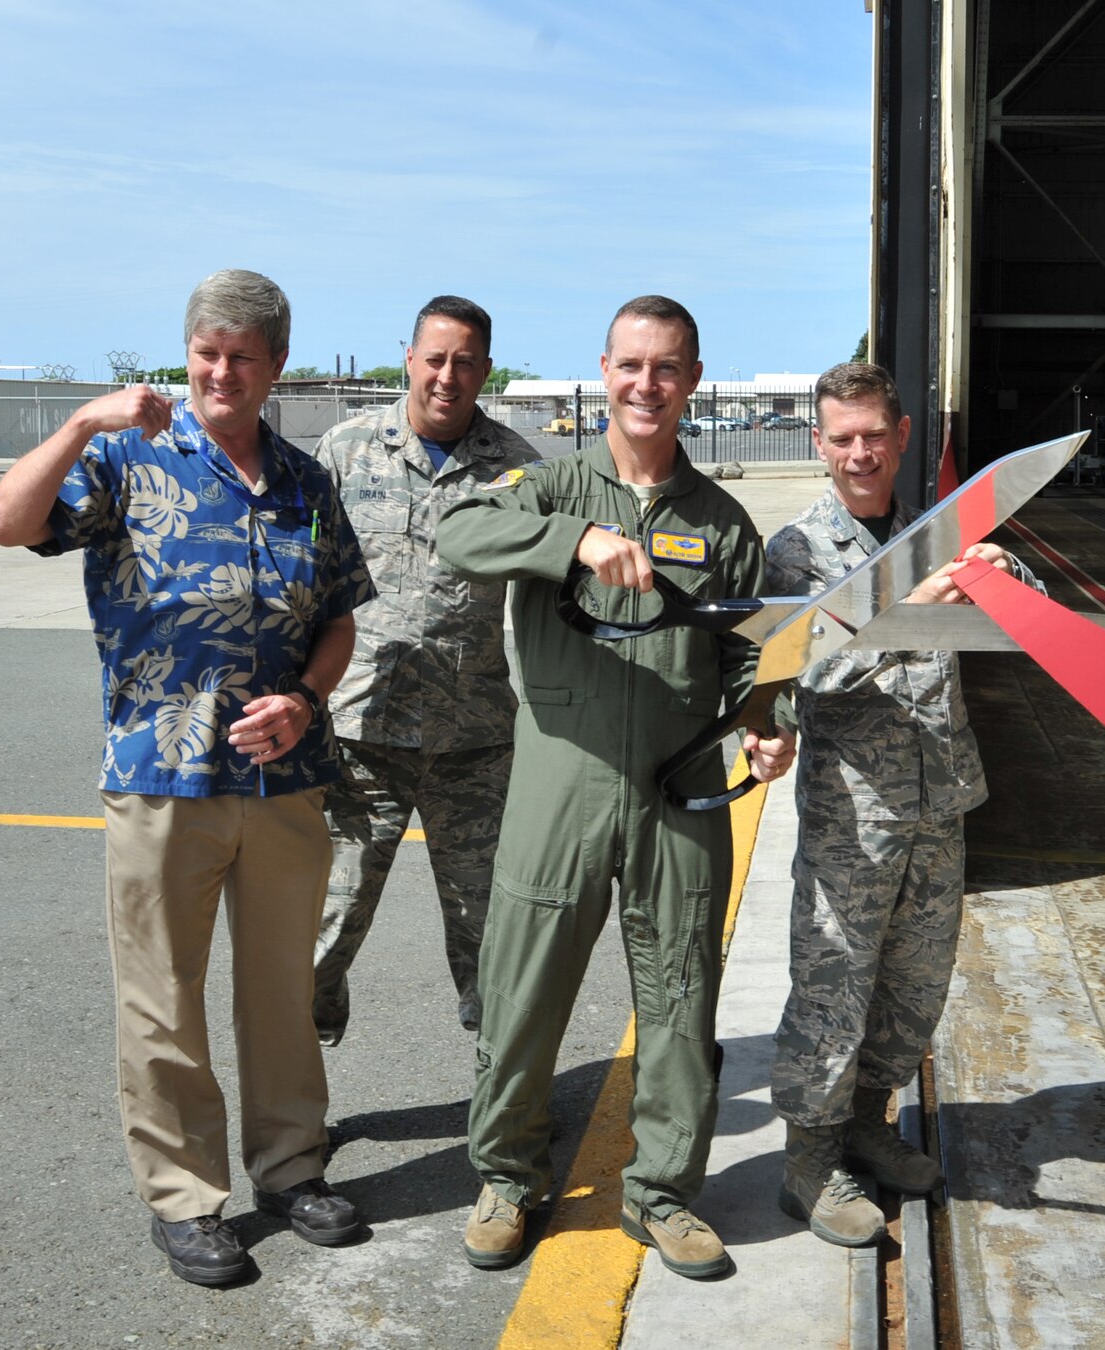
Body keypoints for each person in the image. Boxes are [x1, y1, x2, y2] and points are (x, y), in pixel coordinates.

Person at [0, 269, 375, 1286]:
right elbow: (6, 523)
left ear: (275, 365)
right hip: (160, 778)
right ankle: (186, 1198)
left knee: (282, 991)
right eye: (207, 350)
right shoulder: (125, 458)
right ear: (188, 352)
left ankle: (291, 1168)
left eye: (243, 354)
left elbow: (338, 615)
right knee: (161, 1000)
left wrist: (309, 700)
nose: (221, 370)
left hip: (282, 783)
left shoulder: (302, 478)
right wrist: (78, 423)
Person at [437, 295, 797, 1280]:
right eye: (631, 366)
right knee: (521, 994)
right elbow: (460, 534)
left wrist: (767, 733)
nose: (647, 385)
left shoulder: (720, 524)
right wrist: (574, 543)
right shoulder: (543, 485)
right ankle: (508, 1179)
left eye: (667, 368)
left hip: (679, 792)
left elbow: (749, 662)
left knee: (682, 996)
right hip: (561, 780)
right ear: (603, 371)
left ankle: (664, 1192)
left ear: (691, 381)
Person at [765, 361, 1040, 1246]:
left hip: (941, 799)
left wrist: (1003, 569)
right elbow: (802, 669)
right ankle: (808, 1160)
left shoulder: (941, 532)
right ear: (819, 442)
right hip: (855, 814)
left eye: (873, 435)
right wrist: (912, 611)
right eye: (840, 438)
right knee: (833, 986)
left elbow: (1028, 624)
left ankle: (867, 1123)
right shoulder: (800, 550)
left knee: (916, 983)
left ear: (903, 436)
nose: (858, 454)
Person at [309, 296, 540, 1047]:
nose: (448, 375)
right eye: (435, 358)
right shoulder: (345, 452)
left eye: (465, 361)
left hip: (472, 741)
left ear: (486, 370)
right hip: (360, 733)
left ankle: (502, 1107)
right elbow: (301, 582)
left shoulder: (519, 469)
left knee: (490, 941)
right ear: (408, 358)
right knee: (324, 928)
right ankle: (301, 1073)